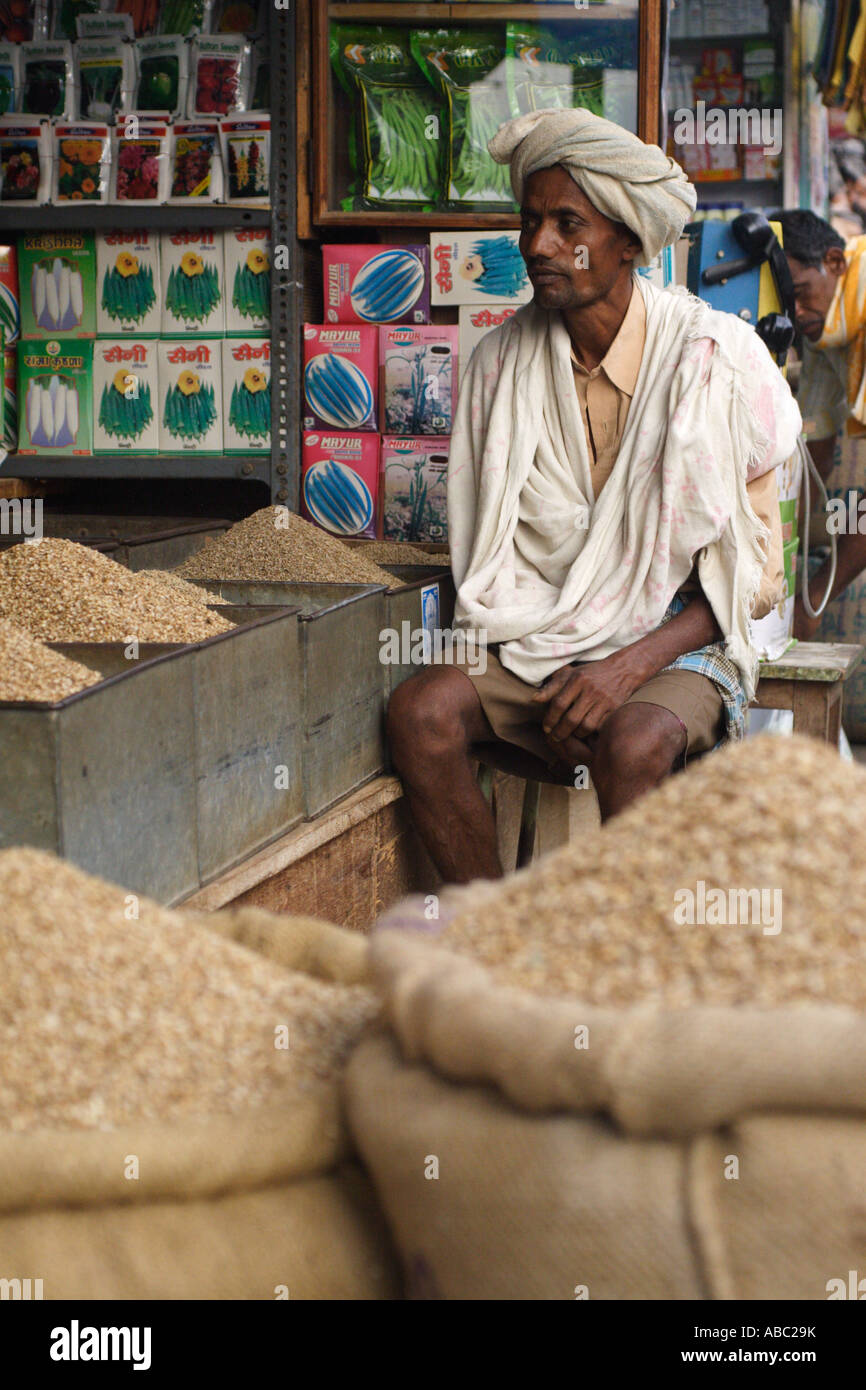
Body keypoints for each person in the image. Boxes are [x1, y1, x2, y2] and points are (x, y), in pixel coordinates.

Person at [387, 108, 801, 885]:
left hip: (682, 643)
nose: (537, 245)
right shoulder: (500, 368)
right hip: (539, 633)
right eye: (530, 219)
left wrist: (619, 669)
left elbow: (756, 577)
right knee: (421, 713)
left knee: (634, 742)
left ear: (630, 242)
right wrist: (564, 658)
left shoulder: (719, 362)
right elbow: (490, 560)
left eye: (566, 223)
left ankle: (632, 974)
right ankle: (496, 948)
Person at [773, 208, 866, 639]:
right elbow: (815, 451)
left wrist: (813, 598)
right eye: (783, 300)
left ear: (834, 261)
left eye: (802, 292)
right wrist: (775, 546)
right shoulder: (827, 331)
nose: (794, 311)